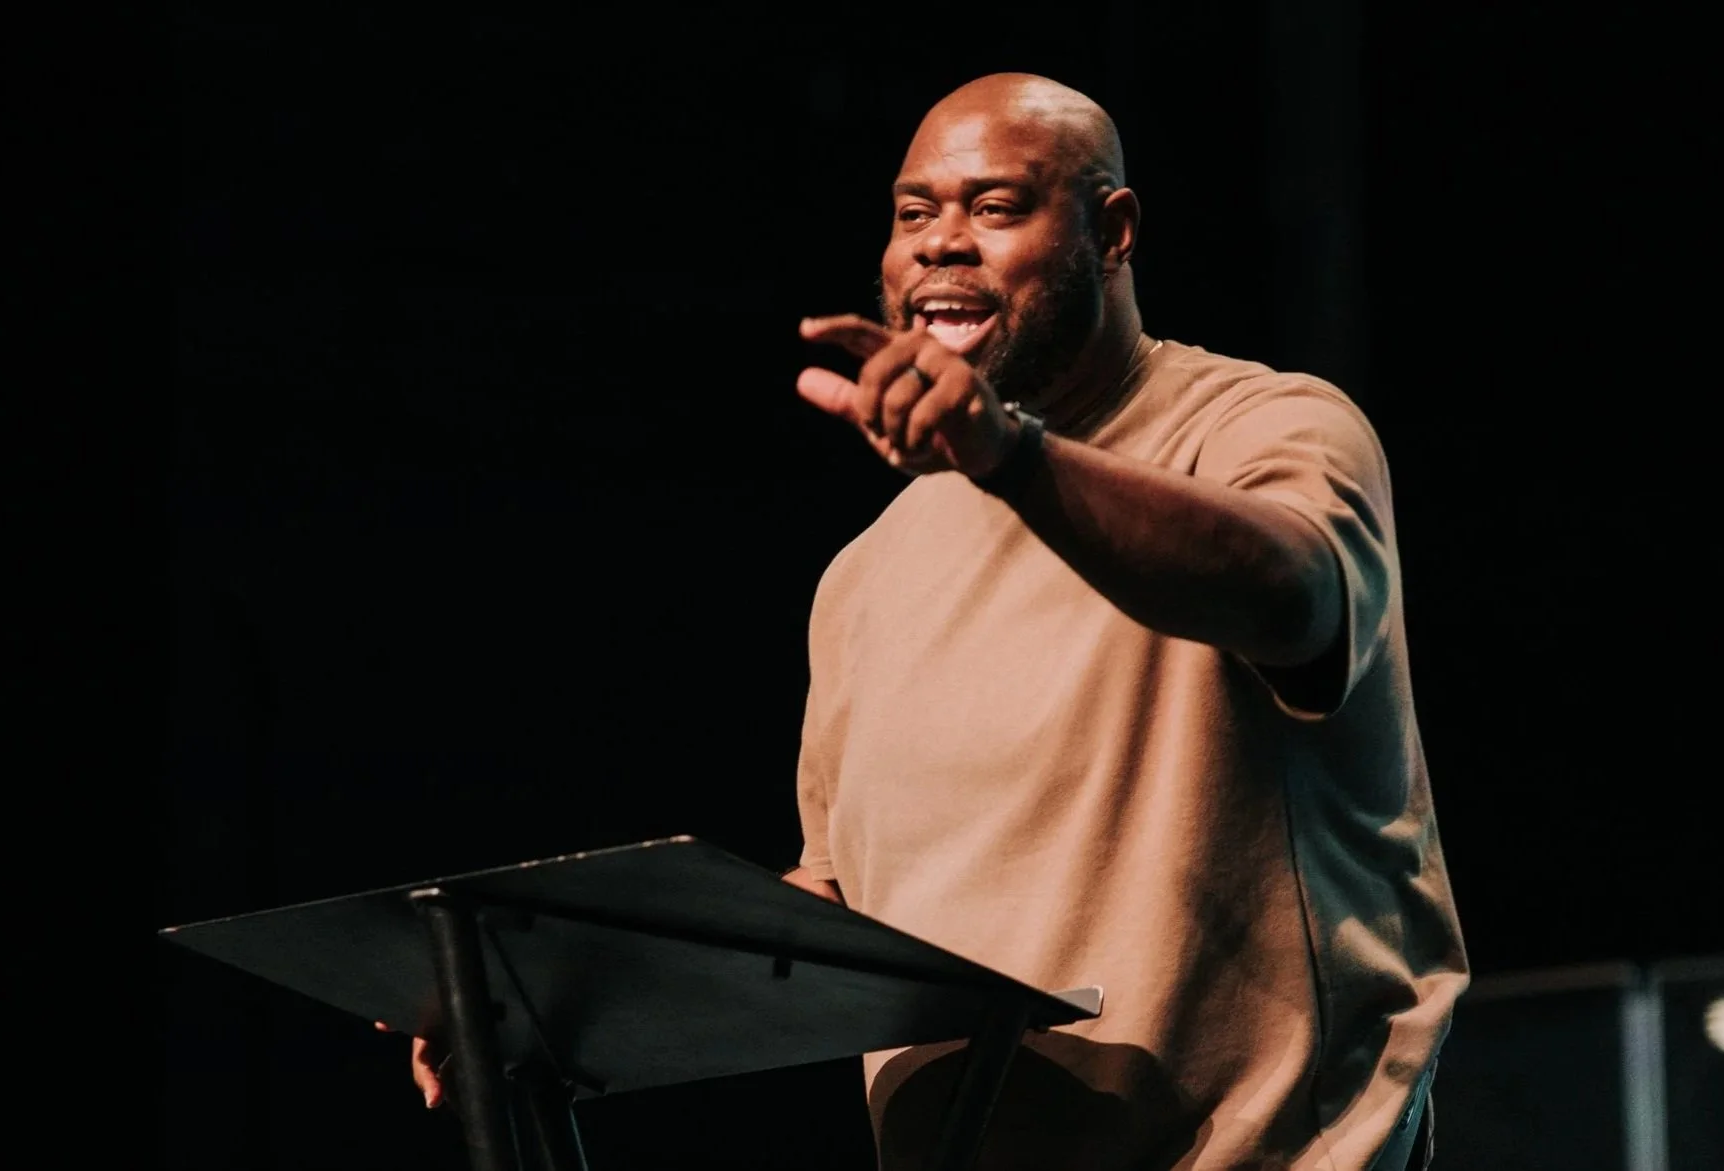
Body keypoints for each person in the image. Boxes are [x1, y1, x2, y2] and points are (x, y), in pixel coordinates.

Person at [410, 72, 1467, 1171]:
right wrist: (552, 994)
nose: (939, 245)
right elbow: (835, 909)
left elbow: (1291, 592)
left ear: (1113, 232)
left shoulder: (1264, 426)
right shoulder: (867, 577)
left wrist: (1011, 455)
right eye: (916, 212)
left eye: (996, 207)